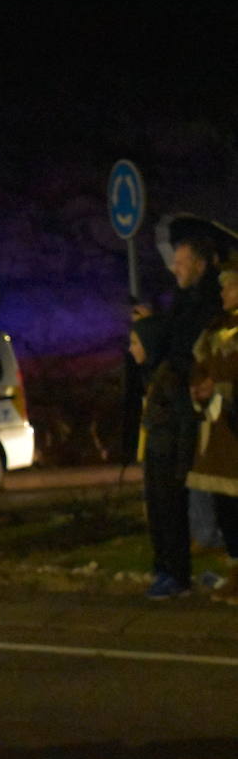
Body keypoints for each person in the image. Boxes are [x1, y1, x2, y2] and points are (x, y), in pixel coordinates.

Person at [130, 317, 197, 599]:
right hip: (156, 457)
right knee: (158, 516)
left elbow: (186, 421)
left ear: (150, 343)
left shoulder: (169, 377)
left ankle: (177, 576)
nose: (131, 348)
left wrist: (182, 466)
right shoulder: (153, 374)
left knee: (171, 518)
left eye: (135, 342)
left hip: (168, 460)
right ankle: (164, 570)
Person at [186, 255, 238, 602]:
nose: (224, 293)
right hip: (219, 432)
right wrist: (200, 388)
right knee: (226, 506)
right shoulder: (214, 329)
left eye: (231, 286)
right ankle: (236, 569)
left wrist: (219, 389)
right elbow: (199, 365)